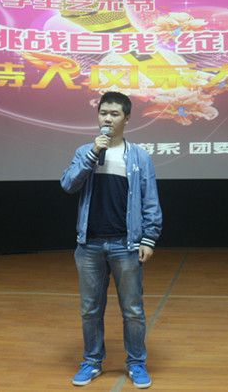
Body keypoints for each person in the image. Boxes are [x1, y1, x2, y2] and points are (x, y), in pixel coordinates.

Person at [60, 91, 162, 389]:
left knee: (133, 310)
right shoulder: (86, 151)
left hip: (126, 245)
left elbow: (150, 199)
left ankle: (137, 363)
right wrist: (93, 153)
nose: (107, 118)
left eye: (114, 114)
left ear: (126, 119)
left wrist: (149, 238)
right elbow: (68, 184)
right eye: (103, 113)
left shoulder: (139, 156)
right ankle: (92, 361)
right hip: (89, 245)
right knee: (90, 309)